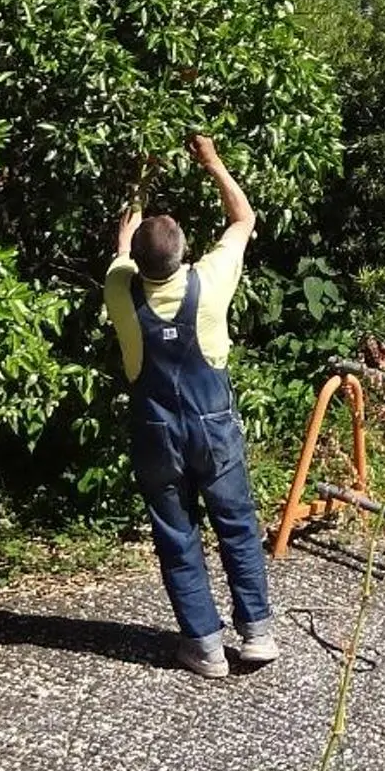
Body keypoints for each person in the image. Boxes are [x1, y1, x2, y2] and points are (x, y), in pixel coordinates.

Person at [108, 132, 277, 679]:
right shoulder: (210, 279)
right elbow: (243, 218)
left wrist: (138, 177)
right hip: (214, 429)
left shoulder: (120, 289)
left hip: (156, 433)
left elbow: (123, 241)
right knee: (237, 527)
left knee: (177, 536)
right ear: (183, 251)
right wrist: (211, 161)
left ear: (137, 259)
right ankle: (256, 635)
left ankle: (204, 647)